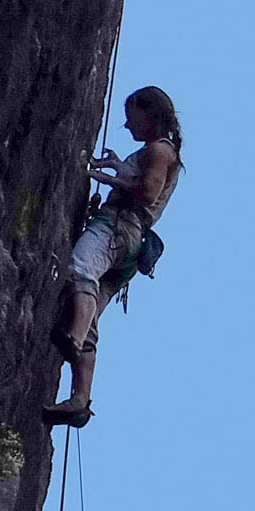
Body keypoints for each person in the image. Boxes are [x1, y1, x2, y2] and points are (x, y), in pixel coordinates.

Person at [45, 86, 182, 427]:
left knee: (80, 271)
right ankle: (79, 400)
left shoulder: (159, 150)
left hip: (118, 227)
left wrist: (104, 177)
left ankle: (74, 339)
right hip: (129, 248)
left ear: (148, 116)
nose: (127, 124)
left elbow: (146, 193)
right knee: (89, 313)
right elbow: (143, 182)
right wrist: (118, 166)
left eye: (131, 117)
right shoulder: (162, 151)